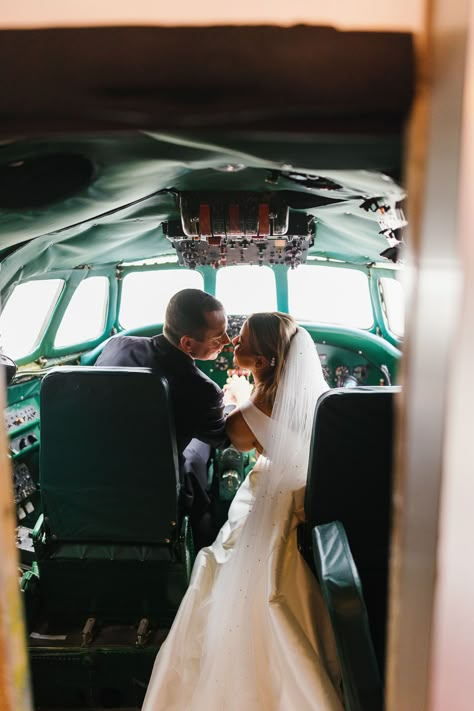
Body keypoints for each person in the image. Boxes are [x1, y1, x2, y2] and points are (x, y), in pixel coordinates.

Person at [141, 312, 343, 711]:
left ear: (265, 360)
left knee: (228, 567)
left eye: (243, 340)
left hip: (270, 495)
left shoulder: (258, 402)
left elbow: (234, 437)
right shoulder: (310, 393)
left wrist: (235, 395)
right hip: (302, 490)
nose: (234, 343)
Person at [96, 288, 239, 549]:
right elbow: (223, 438)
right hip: (156, 489)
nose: (228, 342)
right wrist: (231, 402)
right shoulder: (202, 389)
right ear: (187, 344)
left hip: (99, 472)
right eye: (218, 337)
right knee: (201, 451)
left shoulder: (116, 346)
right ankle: (202, 528)